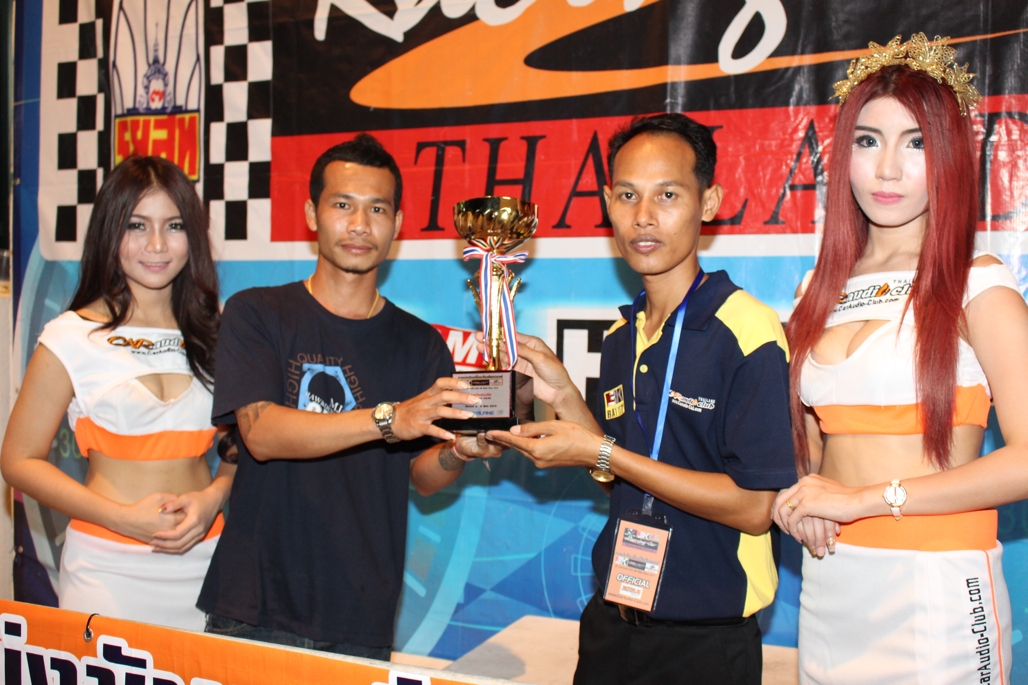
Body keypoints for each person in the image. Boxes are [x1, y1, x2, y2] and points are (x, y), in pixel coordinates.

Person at [488, 113, 796, 684]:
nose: (644, 216)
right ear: (608, 203)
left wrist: (603, 454)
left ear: (709, 203)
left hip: (705, 642)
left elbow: (756, 508)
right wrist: (564, 395)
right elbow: (619, 474)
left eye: (668, 195)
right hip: (612, 623)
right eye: (627, 195)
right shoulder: (619, 336)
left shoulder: (746, 330)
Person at [771, 34, 1028, 684]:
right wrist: (801, 502)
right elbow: (811, 451)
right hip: (832, 580)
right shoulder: (815, 291)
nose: (887, 168)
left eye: (915, 143)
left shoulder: (977, 285)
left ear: (949, 157)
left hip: (936, 585)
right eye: (868, 140)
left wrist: (865, 499)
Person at [197, 133, 500, 659]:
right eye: (343, 205)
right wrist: (389, 419)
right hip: (254, 604)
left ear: (397, 225)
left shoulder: (420, 345)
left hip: (360, 612)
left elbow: (421, 477)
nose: (360, 225)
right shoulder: (257, 313)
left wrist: (460, 452)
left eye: (377, 209)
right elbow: (261, 434)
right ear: (311, 214)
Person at [0, 156, 231, 631]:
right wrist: (122, 518)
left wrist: (213, 497)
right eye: (136, 225)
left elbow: (239, 446)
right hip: (107, 569)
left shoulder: (219, 330)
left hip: (207, 559)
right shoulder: (70, 336)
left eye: (174, 225)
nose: (156, 244)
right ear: (110, 231)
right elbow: (18, 460)